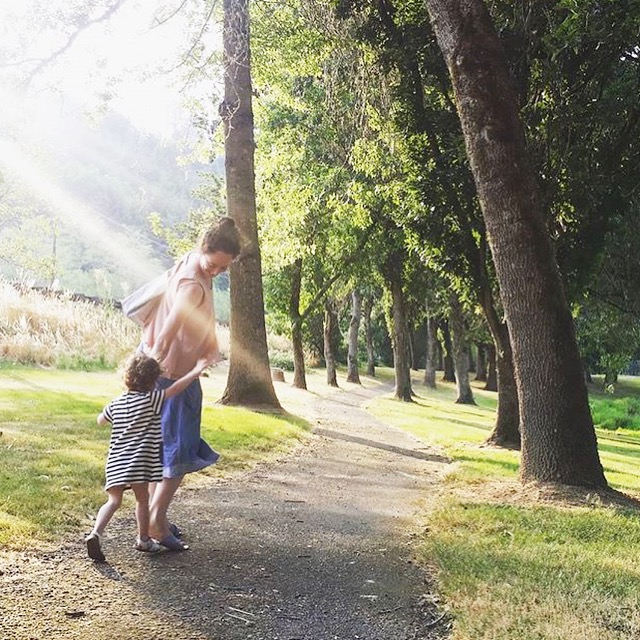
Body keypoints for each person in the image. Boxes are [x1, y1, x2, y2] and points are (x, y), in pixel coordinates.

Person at [143, 216, 242, 551]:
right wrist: (152, 360)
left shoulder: (190, 261)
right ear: (205, 249)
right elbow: (172, 323)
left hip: (173, 369)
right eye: (213, 265)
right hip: (173, 373)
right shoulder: (193, 283)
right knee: (179, 452)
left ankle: (156, 519)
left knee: (167, 448)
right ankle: (156, 523)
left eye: (223, 269)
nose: (216, 272)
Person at [85, 352, 210, 563]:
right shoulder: (152, 399)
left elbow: (100, 420)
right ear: (154, 381)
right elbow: (176, 389)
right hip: (140, 464)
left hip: (116, 462)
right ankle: (143, 539)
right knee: (143, 501)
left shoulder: (116, 403)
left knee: (113, 501)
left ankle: (95, 533)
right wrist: (196, 371)